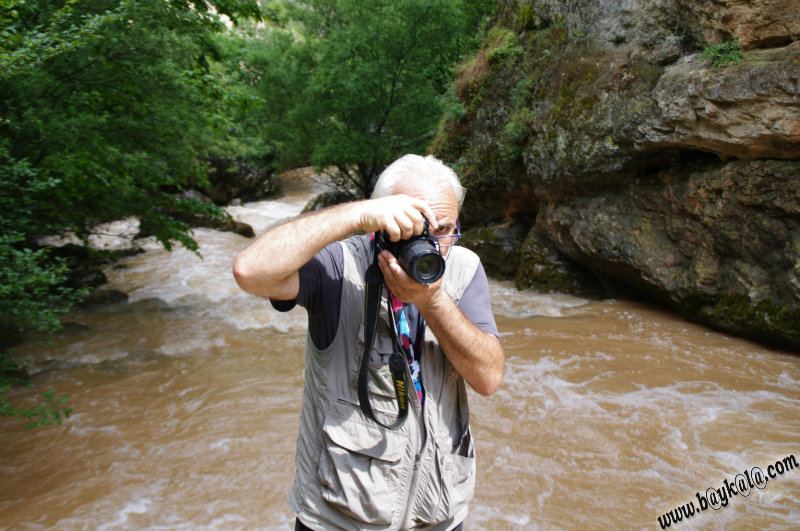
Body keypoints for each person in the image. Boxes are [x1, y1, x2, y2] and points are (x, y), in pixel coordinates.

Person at [233, 154, 505, 531]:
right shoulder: (339, 266)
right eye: (416, 229)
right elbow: (249, 271)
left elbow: (488, 378)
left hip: (439, 513)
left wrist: (433, 301)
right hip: (340, 518)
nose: (432, 245)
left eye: (444, 230)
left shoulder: (463, 267)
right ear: (382, 224)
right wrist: (358, 214)